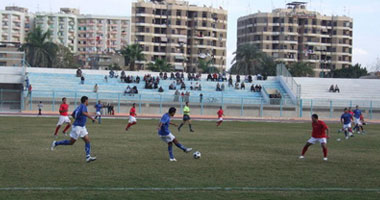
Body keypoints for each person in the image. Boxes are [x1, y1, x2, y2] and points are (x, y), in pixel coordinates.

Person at [50, 96, 97, 163]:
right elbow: (84, 113)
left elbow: (72, 114)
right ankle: (56, 143)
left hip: (82, 126)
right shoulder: (83, 106)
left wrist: (78, 119)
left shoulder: (79, 106)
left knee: (87, 140)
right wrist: (92, 118)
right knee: (71, 142)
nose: (88, 102)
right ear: (85, 101)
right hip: (77, 127)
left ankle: (88, 157)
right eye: (87, 101)